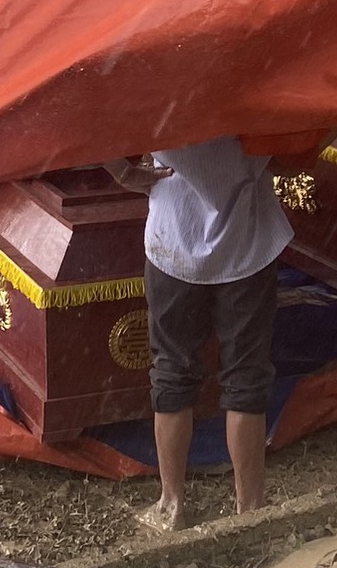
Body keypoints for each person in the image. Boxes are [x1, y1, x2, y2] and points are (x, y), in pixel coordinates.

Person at [110, 135, 322, 532]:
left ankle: (170, 505)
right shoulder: (254, 77)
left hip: (172, 232)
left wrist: (121, 170)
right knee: (247, 374)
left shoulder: (160, 83)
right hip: (248, 238)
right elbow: (304, 140)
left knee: (172, 368)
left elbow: (90, 114)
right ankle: (250, 509)